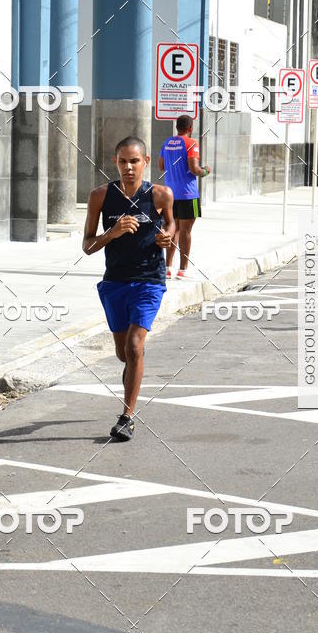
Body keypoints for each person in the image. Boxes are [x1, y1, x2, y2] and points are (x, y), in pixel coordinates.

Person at [83, 136, 175, 441]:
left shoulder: (161, 195)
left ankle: (126, 417)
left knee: (135, 347)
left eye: (134, 161)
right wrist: (113, 232)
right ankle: (134, 363)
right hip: (114, 283)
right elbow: (87, 245)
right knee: (124, 354)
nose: (128, 167)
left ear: (145, 162)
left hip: (149, 281)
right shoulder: (100, 196)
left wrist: (166, 239)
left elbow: (171, 227)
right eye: (123, 161)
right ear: (115, 162)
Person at [158, 114, 210, 279]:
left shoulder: (167, 143)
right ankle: (183, 270)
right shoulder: (191, 143)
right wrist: (205, 171)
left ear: (177, 127)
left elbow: (161, 166)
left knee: (173, 229)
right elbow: (194, 169)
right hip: (188, 194)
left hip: (170, 194)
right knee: (186, 231)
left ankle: (167, 267)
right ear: (190, 128)